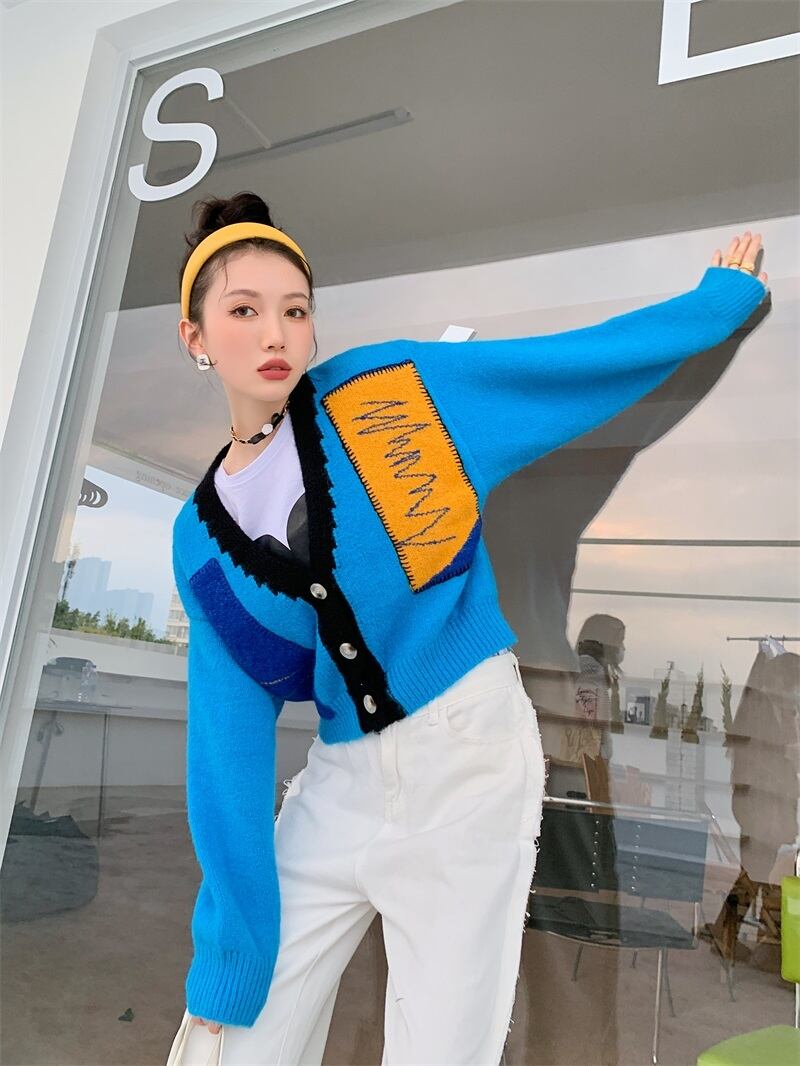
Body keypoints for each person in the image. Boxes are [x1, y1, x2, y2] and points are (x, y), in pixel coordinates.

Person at [168, 189, 770, 1065]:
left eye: (295, 310)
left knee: (442, 1042)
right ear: (195, 336)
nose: (276, 334)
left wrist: (711, 308)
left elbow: (565, 371)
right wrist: (229, 947)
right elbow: (226, 743)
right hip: (341, 773)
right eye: (245, 311)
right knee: (230, 1031)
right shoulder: (198, 538)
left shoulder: (391, 391)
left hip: (467, 748)